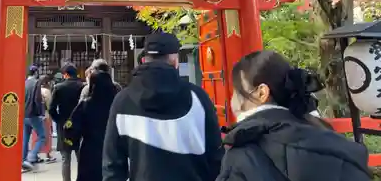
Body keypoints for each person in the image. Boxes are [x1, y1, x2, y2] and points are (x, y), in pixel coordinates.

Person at [217, 50, 370, 181]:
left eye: (237, 92)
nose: (233, 99)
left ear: (261, 93)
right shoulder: (325, 133)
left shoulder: (241, 153)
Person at [102, 32, 224, 181]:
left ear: (144, 60)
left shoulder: (122, 101)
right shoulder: (198, 97)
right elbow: (215, 155)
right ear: (175, 61)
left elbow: (112, 163)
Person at [64, 71, 119, 181]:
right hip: (114, 151)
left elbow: (70, 128)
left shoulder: (86, 105)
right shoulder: (118, 105)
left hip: (90, 152)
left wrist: (70, 143)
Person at [49, 64, 84, 181]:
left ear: (66, 74)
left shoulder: (59, 87)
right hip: (80, 124)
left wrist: (59, 120)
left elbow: (51, 109)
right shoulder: (83, 87)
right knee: (81, 157)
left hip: (64, 124)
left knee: (66, 158)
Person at [22, 65, 46, 171]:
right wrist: (41, 113)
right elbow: (37, 99)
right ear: (36, 72)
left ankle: (23, 160)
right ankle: (31, 157)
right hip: (33, 114)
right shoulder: (36, 83)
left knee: (25, 138)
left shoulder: (24, 83)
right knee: (42, 136)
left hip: (24, 114)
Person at [38, 75, 56, 162]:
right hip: (46, 115)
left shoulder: (37, 90)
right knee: (47, 135)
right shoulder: (46, 91)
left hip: (37, 115)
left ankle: (36, 155)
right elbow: (49, 105)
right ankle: (47, 154)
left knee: (37, 135)